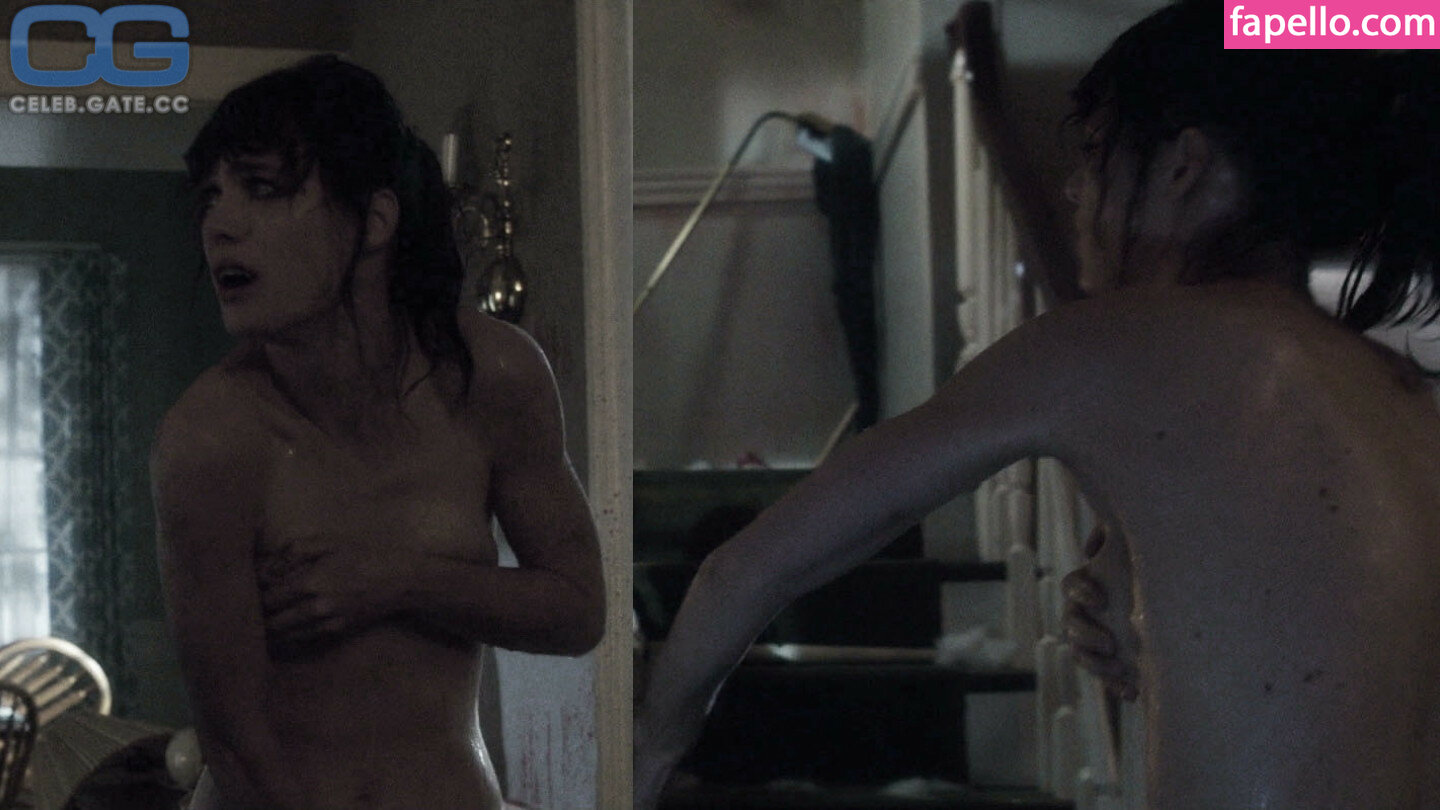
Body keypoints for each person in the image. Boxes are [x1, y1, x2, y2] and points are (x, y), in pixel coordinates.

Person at [634, 3, 1440, 808]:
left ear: (1184, 166)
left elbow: (747, 569)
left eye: (1095, 152)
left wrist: (647, 750)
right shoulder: (1405, 398)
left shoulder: (1118, 344)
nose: (1076, 189)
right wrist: (1152, 618)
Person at [151, 56, 605, 810]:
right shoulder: (210, 440)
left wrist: (399, 580)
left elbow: (578, 608)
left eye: (262, 188)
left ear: (376, 219)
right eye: (211, 197)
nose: (219, 226)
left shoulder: (492, 374)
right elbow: (237, 744)